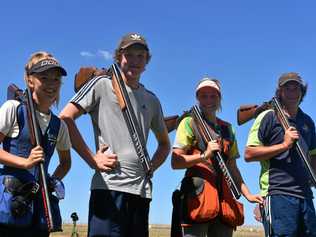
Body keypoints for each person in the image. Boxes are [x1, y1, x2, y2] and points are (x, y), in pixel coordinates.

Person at [60, 32, 170, 237]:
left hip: (141, 191)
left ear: (147, 61)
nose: (135, 61)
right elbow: (65, 118)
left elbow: (164, 144)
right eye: (129, 55)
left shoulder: (152, 100)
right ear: (119, 57)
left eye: (141, 56)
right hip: (109, 188)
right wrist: (92, 159)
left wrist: (152, 165)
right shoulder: (102, 84)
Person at [172, 78, 263, 237]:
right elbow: (176, 162)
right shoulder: (189, 123)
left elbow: (232, 167)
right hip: (198, 199)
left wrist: (248, 194)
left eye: (213, 96)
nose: (208, 100)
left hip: (225, 201)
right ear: (198, 99)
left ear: (219, 99)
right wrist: (204, 155)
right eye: (203, 96)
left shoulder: (227, 129)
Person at [0, 51, 71, 237]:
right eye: (44, 77)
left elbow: (66, 162)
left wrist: (49, 181)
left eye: (56, 79)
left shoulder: (60, 125)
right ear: (30, 80)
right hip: (10, 205)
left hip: (39, 206)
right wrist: (25, 162)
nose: (51, 84)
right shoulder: (13, 109)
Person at [245, 72, 316, 236]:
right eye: (287, 88)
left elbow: (313, 157)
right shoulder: (267, 116)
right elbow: (249, 153)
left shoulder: (308, 122)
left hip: (306, 196)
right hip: (278, 193)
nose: (292, 91)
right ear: (280, 92)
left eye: (296, 87)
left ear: (302, 91)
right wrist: (284, 145)